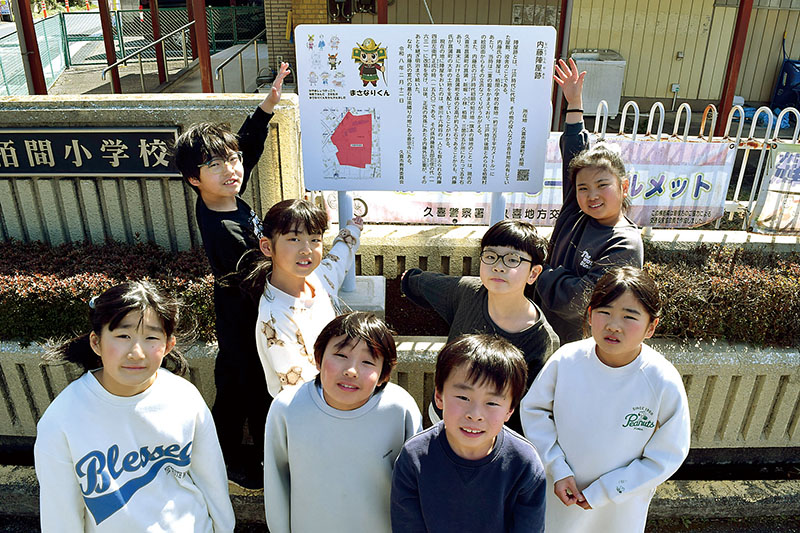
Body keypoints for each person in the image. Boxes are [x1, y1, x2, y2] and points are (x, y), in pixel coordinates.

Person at [171, 62, 290, 488]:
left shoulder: (224, 197)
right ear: (193, 180)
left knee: (234, 382)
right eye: (216, 165)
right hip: (242, 311)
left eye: (232, 159)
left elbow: (250, 148)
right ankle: (254, 463)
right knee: (249, 381)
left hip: (240, 308)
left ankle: (221, 455)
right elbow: (260, 271)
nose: (232, 169)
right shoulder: (220, 225)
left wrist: (268, 105)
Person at [34, 281, 234, 532]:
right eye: (123, 336)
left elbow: (212, 484)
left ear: (168, 345)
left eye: (151, 337)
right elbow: (60, 518)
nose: (137, 352)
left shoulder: (185, 397)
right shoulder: (62, 419)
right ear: (96, 342)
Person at [521, 266, 691, 533]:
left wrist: (608, 490)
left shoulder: (661, 379)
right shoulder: (567, 359)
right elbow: (534, 410)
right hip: (559, 490)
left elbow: (668, 453)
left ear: (651, 326)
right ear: (589, 315)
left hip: (620, 506)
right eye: (605, 312)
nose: (614, 325)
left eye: (629, 316)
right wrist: (557, 468)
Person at [263, 312, 422, 533]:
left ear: (384, 374)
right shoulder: (287, 408)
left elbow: (414, 484)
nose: (351, 370)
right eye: (340, 355)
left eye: (368, 361)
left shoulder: (399, 408)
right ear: (318, 358)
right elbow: (276, 482)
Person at [401, 219, 559, 432]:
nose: (498, 266)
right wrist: (409, 280)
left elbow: (533, 406)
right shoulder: (467, 292)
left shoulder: (541, 338)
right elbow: (421, 283)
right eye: (490, 256)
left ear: (533, 273)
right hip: (442, 418)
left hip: (492, 434)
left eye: (512, 259)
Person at [536, 57, 644, 344]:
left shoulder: (624, 244)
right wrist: (574, 102)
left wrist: (538, 274)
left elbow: (578, 300)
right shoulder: (577, 210)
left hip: (572, 343)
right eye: (583, 188)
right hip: (541, 325)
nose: (591, 195)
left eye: (602, 185)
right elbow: (574, 150)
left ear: (623, 186)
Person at [391, 334, 546, 532]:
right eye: (463, 397)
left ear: (510, 410)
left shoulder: (524, 464)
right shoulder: (414, 457)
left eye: (492, 403)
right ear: (439, 396)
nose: (475, 415)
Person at [252, 198, 362, 397]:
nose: (307, 249)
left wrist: (353, 229)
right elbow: (301, 390)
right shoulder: (275, 317)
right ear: (267, 247)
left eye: (315, 239)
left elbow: (338, 258)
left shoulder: (315, 278)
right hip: (310, 412)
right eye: (294, 239)